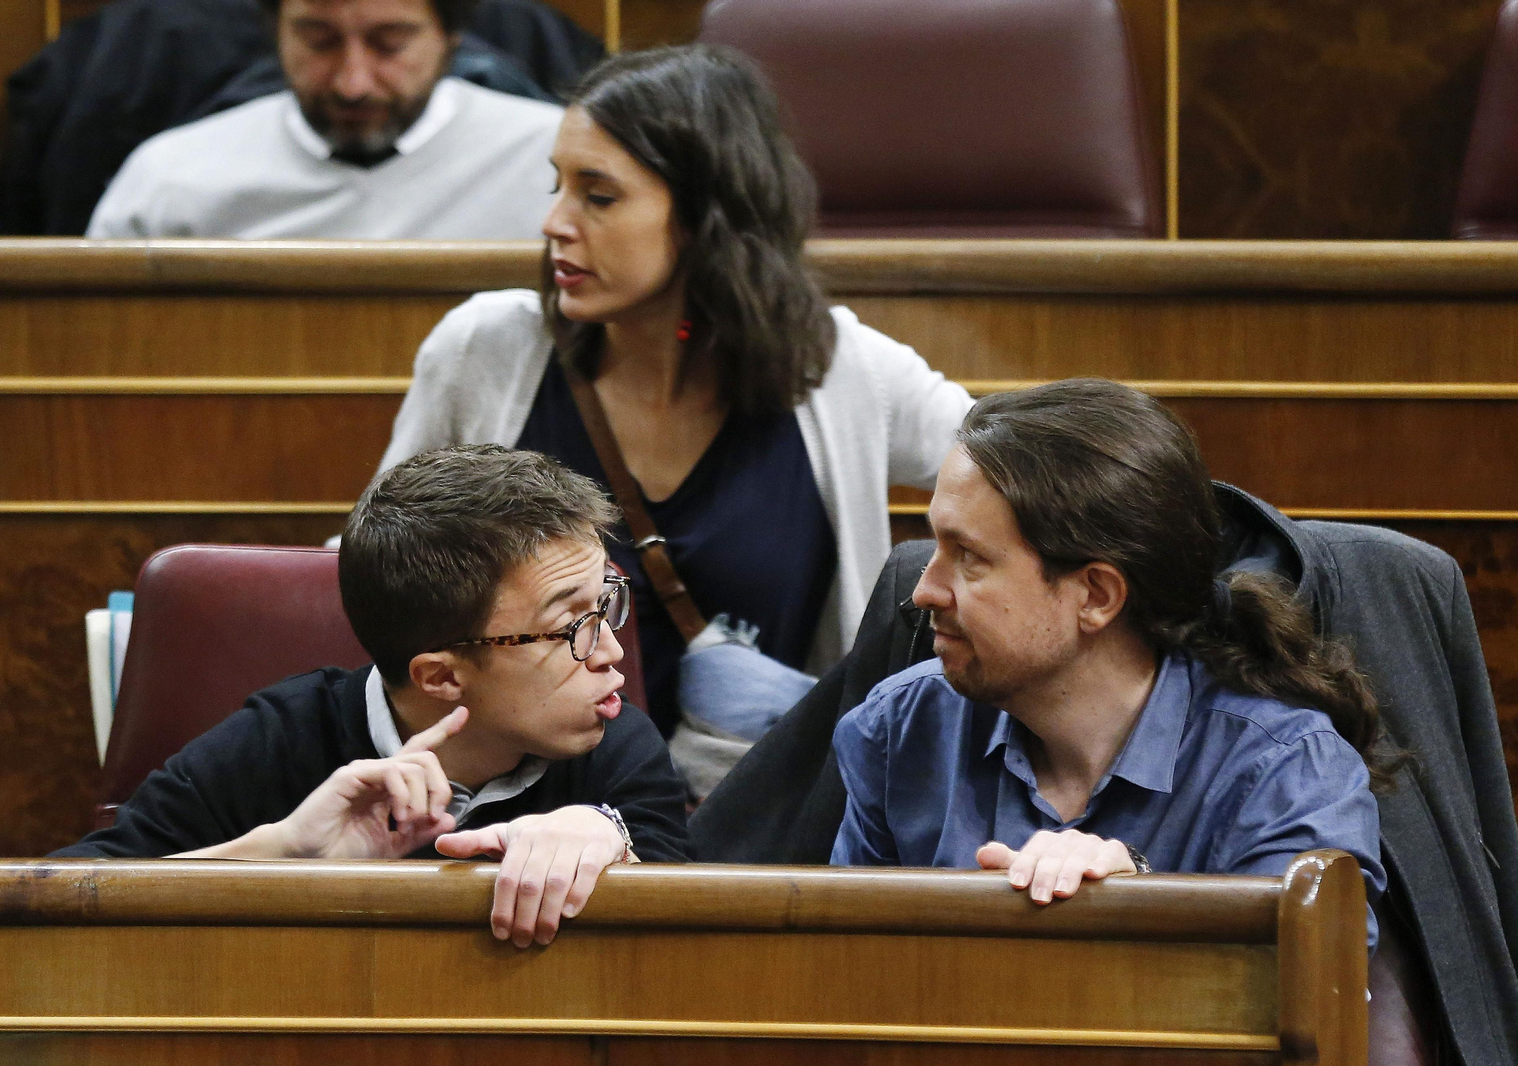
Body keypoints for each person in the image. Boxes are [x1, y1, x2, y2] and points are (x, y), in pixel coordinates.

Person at [377, 44, 975, 741]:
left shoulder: (848, 372)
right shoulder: (482, 349)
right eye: (557, 187)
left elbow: (1036, 477)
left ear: (705, 215)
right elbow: (380, 573)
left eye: (598, 196)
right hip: (524, 813)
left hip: (758, 821)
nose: (555, 223)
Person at [55, 445, 690, 948]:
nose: (610, 651)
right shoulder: (279, 738)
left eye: (604, 603)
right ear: (440, 677)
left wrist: (609, 835)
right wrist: (279, 851)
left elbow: (696, 933)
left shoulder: (616, 742)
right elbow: (53, 905)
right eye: (569, 625)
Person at [830, 380, 1390, 949]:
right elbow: (844, 974)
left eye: (968, 557)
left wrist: (1139, 899)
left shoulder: (1284, 770)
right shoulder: (901, 727)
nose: (924, 591)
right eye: (935, 550)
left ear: (1096, 595)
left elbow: (1315, 991)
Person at [85, 0, 562, 239]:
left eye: (390, 44)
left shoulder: (558, 160)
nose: (352, 84)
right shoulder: (168, 177)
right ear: (275, 33)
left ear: (451, 37)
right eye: (319, 41)